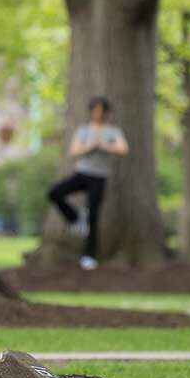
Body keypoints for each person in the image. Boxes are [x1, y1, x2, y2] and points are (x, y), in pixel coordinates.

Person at [46, 95, 129, 270]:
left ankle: (89, 256)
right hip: (82, 174)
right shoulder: (84, 130)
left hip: (99, 177)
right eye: (95, 110)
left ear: (106, 112)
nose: (98, 113)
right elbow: (74, 150)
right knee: (54, 192)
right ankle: (75, 219)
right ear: (91, 111)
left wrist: (104, 146)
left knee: (94, 216)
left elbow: (123, 149)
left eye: (101, 110)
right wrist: (92, 145)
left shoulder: (112, 131)